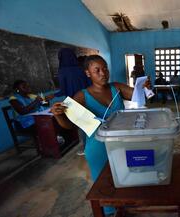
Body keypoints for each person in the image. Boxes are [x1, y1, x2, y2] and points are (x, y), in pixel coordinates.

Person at [51, 55, 150, 216]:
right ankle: (111, 211)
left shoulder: (116, 88)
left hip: (121, 143)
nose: (103, 73)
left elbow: (138, 96)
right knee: (104, 185)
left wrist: (143, 87)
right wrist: (59, 115)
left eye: (105, 69)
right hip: (98, 147)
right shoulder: (81, 96)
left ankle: (125, 207)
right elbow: (69, 125)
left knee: (125, 176)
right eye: (96, 70)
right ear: (88, 73)